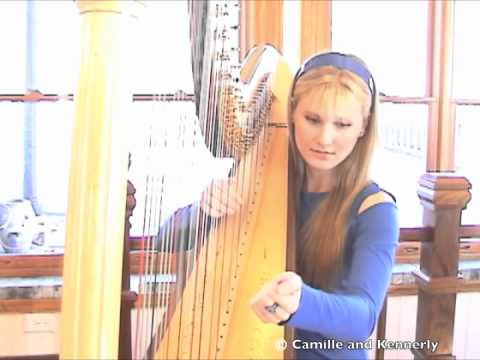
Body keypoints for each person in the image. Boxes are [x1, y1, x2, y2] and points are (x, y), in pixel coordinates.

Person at [245, 52, 399, 359]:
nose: (325, 138)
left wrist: (299, 301)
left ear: (363, 127)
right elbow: (172, 235)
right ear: (292, 113)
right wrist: (207, 208)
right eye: (313, 119)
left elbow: (363, 317)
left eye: (342, 124)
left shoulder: (376, 210)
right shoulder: (261, 182)